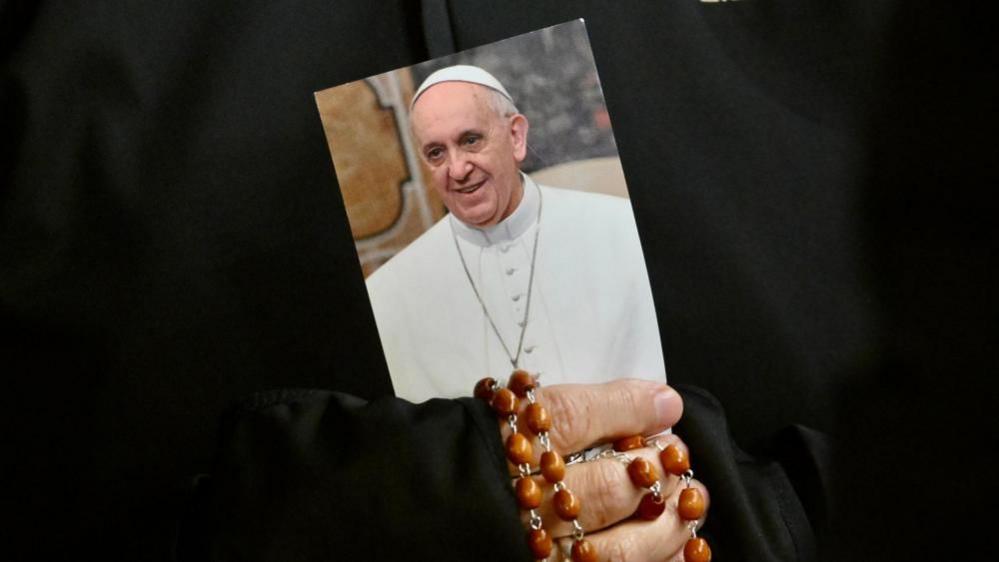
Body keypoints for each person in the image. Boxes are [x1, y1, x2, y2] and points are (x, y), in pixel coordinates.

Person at [365, 65, 667, 402]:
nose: (458, 169)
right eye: (436, 153)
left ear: (516, 137)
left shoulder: (622, 228)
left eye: (471, 140)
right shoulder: (385, 297)